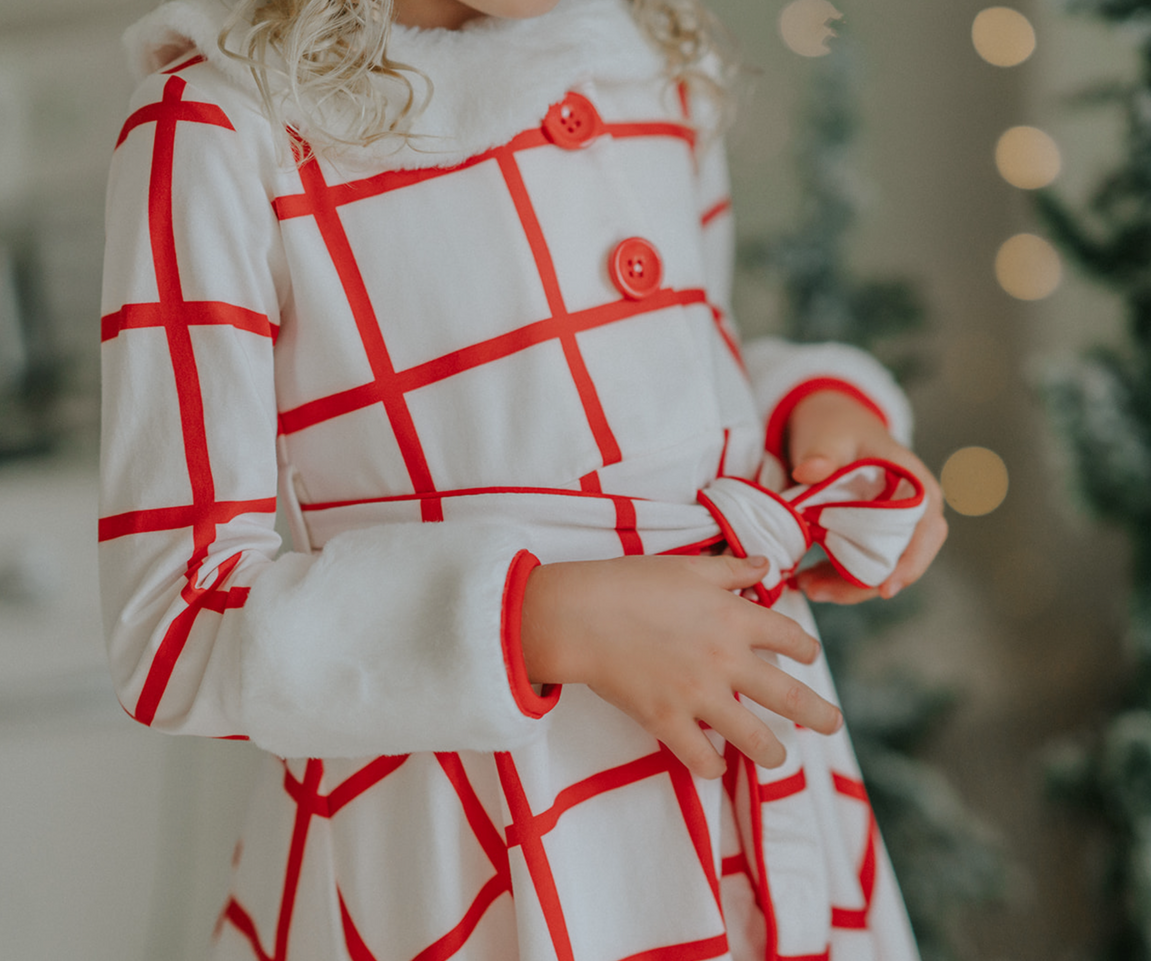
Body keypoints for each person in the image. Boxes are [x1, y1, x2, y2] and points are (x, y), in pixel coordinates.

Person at [100, 0, 948, 957]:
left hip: (746, 800)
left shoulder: (647, 64)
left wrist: (821, 412)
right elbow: (173, 626)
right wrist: (543, 619)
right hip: (468, 840)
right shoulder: (217, 124)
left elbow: (680, 384)